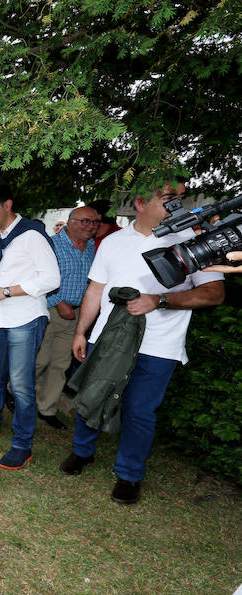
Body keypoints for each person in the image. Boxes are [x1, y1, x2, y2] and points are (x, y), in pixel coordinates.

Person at [62, 181, 224, 504]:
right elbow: (95, 289)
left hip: (158, 346)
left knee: (139, 411)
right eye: (168, 199)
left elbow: (214, 293)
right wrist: (82, 331)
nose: (178, 204)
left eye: (181, 197)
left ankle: (129, 475)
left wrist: (161, 300)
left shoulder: (193, 242)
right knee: (93, 396)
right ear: (139, 202)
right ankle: (82, 451)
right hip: (107, 339)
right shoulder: (112, 242)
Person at [0, 184, 60, 471]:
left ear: (8, 205)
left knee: (20, 384)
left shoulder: (32, 236)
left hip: (25, 318)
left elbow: (51, 279)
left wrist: (6, 292)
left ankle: (22, 444)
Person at [34, 205, 99, 430]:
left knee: (60, 364)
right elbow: (38, 276)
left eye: (94, 222)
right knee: (39, 359)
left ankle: (47, 409)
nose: (90, 226)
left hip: (77, 314)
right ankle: (14, 393)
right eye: (85, 221)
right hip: (51, 309)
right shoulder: (52, 244)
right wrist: (59, 302)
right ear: (70, 221)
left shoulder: (91, 247)